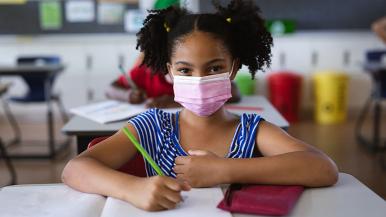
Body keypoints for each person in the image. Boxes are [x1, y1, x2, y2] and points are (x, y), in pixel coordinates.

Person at [62, 0, 338, 212]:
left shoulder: (252, 130)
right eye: (185, 70)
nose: (199, 80)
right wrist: (132, 188)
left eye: (214, 67)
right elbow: (74, 169)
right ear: (169, 72)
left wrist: (225, 170)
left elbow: (323, 168)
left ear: (233, 69)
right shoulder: (151, 127)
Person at [105, 53, 241, 108]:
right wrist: (128, 95)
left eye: (184, 68)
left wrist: (176, 102)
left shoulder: (197, 75)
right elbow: (109, 89)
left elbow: (233, 92)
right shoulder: (144, 72)